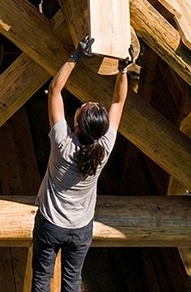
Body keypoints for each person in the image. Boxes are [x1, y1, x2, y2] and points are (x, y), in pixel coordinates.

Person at [31, 36, 131, 292]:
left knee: (41, 281)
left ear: (77, 123)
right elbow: (119, 102)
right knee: (72, 282)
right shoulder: (104, 147)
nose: (88, 103)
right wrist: (123, 69)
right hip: (81, 229)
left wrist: (75, 57)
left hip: (51, 224)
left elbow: (54, 90)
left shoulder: (63, 144)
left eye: (86, 108)